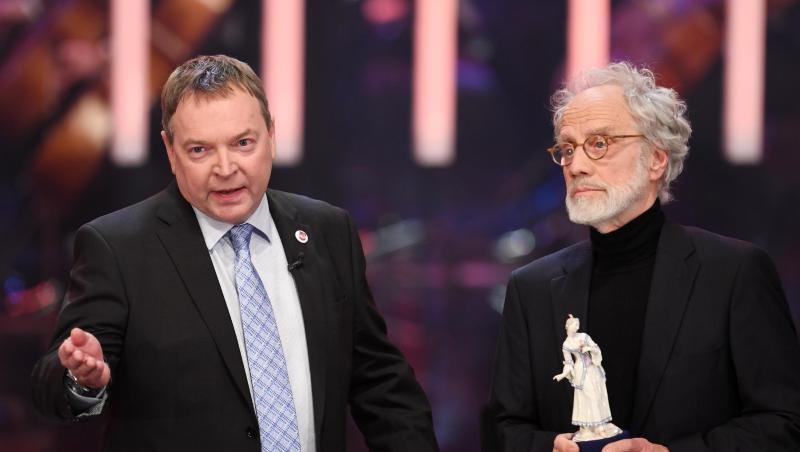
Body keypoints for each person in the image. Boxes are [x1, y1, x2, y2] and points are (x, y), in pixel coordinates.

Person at [31, 54, 438, 452]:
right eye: (200, 150)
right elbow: (52, 385)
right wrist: (81, 380)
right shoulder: (117, 247)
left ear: (271, 136)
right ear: (170, 151)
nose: (226, 168)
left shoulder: (327, 231)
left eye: (243, 143)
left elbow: (380, 383)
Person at [489, 62, 800, 452]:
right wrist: (548, 446)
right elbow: (505, 429)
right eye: (567, 149)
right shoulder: (531, 288)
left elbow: (784, 423)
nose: (577, 166)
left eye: (599, 144)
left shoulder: (734, 272)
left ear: (656, 159)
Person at [553, 315, 621, 442]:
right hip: (580, 372)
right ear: (568, 326)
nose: (577, 327)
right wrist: (562, 374)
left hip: (593, 369)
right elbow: (569, 362)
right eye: (575, 325)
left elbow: (596, 348)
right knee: (588, 397)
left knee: (598, 395)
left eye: (578, 325)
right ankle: (593, 427)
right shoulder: (566, 344)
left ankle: (599, 426)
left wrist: (589, 348)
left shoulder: (584, 336)